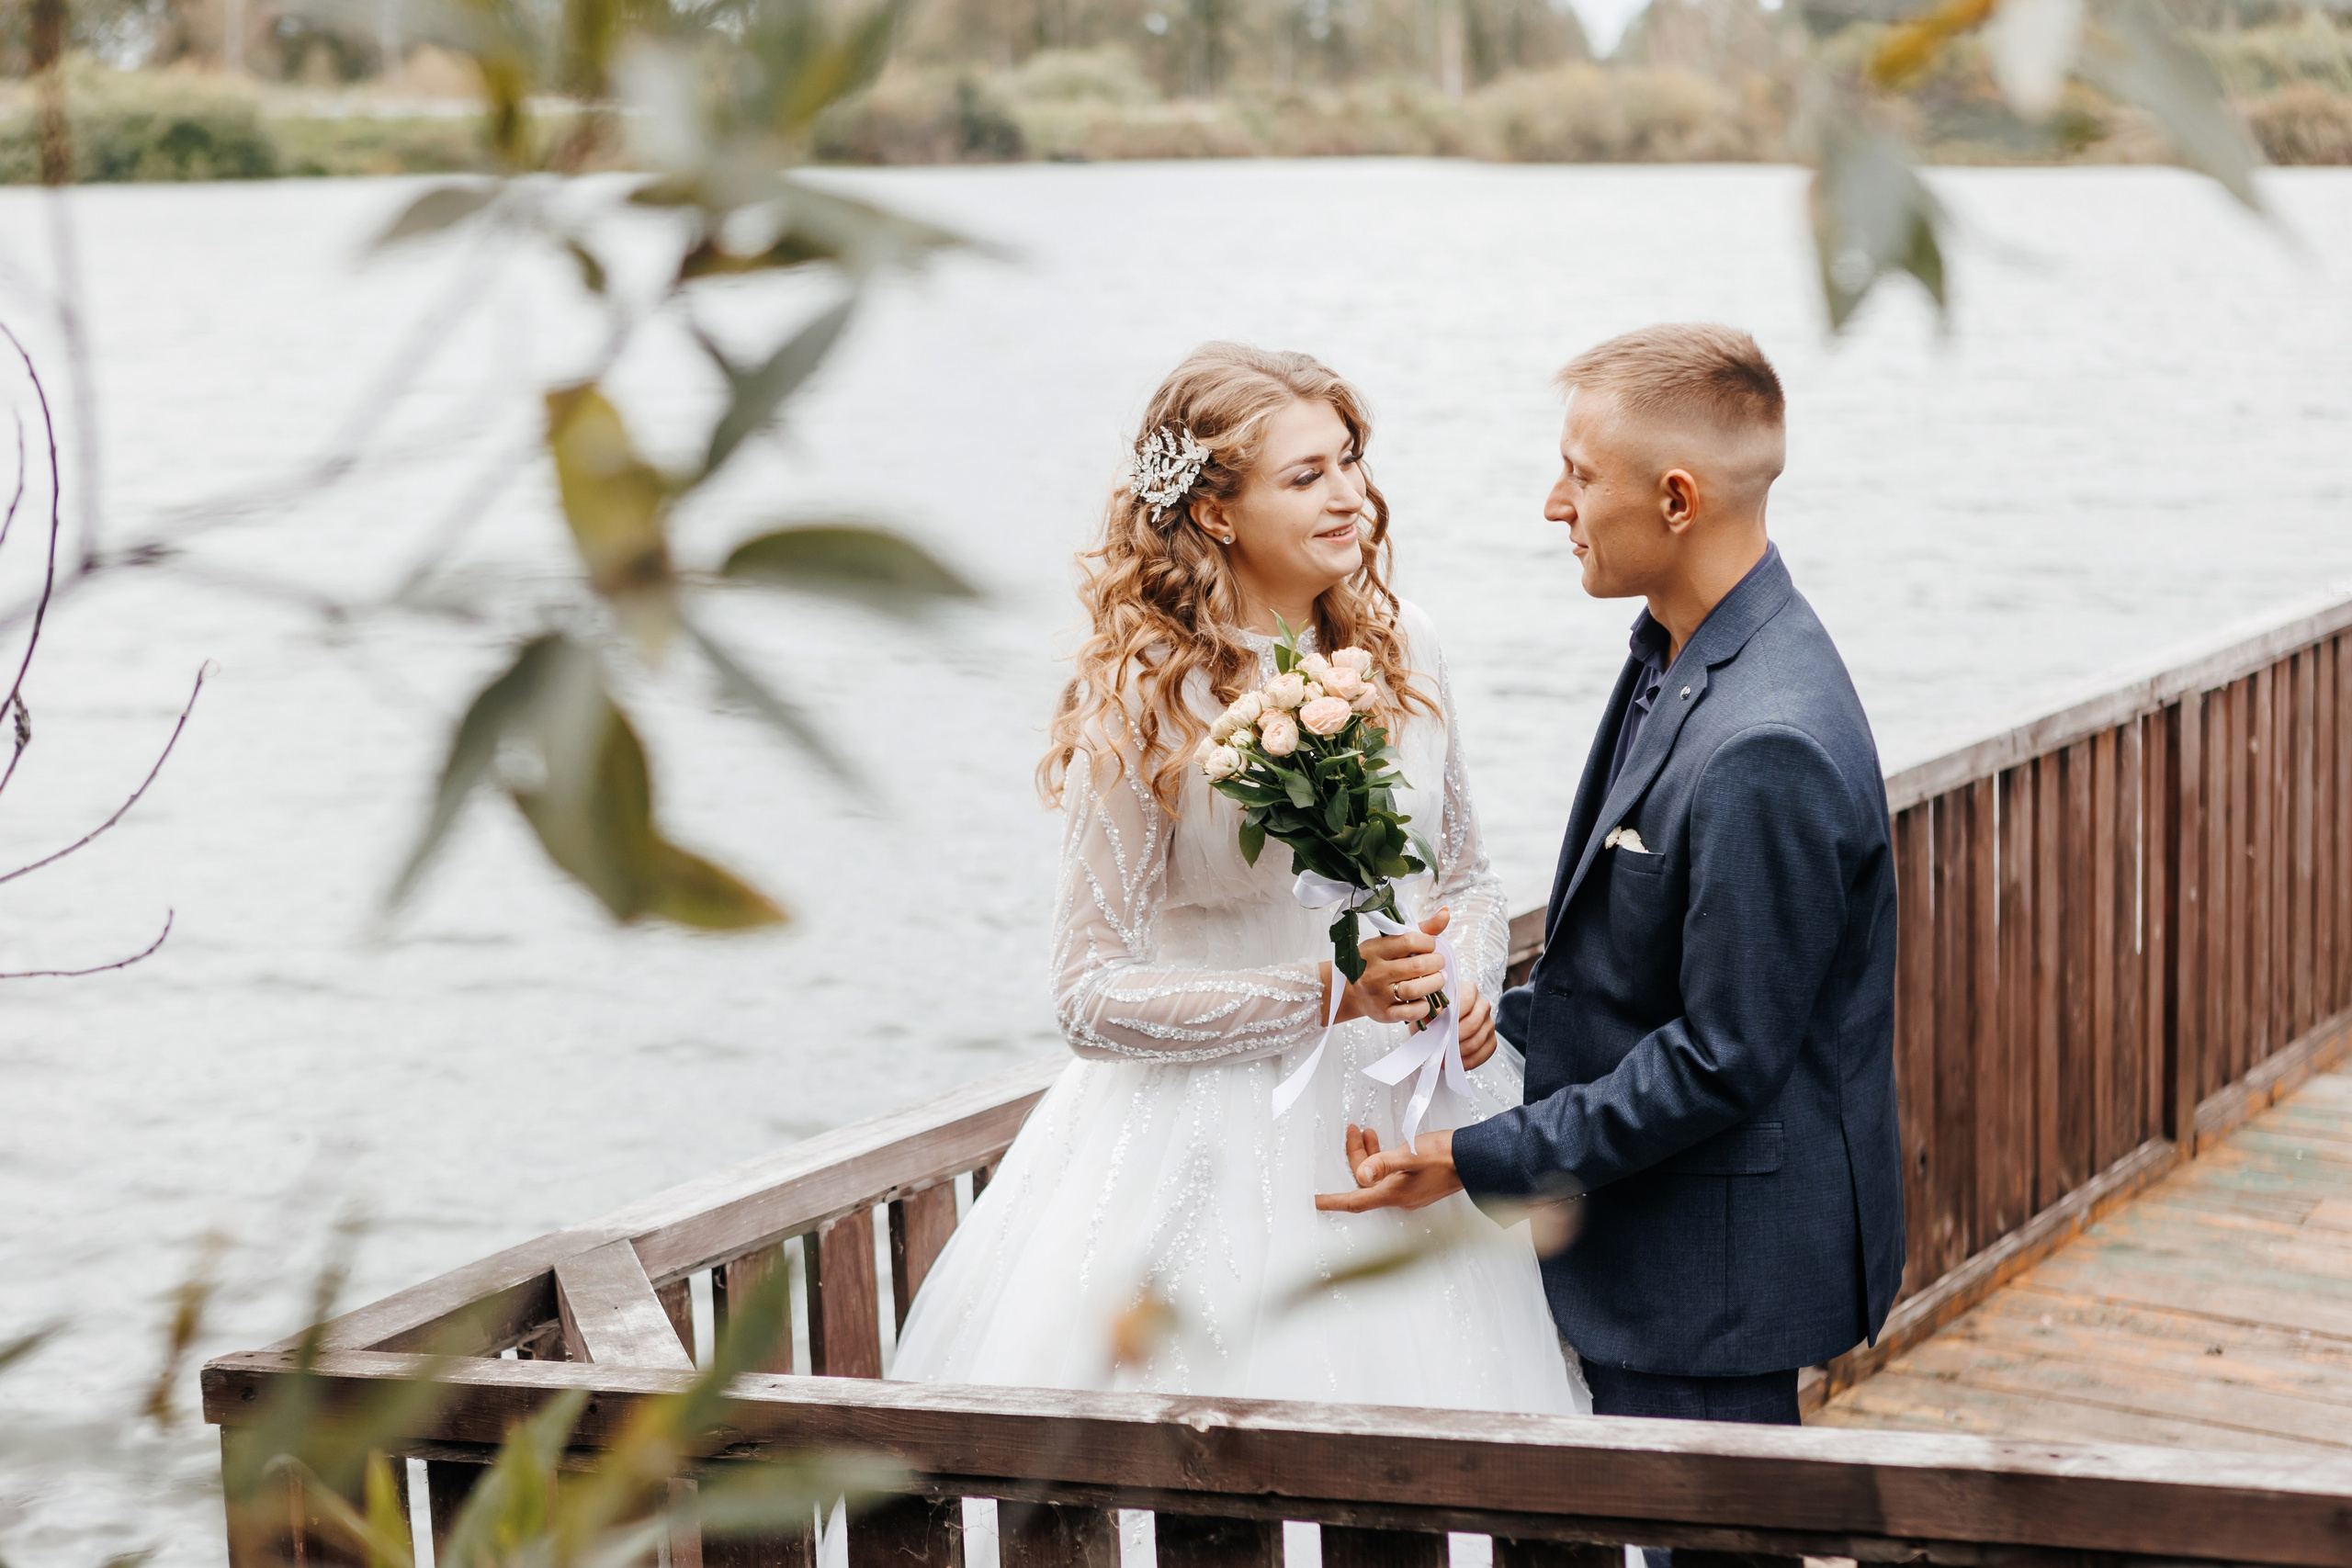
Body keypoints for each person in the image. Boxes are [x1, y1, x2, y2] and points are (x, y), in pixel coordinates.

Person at [890, 343, 1587, 1416]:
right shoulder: (1146, 700)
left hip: (1407, 1116)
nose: (1350, 495)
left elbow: (1469, 878)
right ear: (1216, 513)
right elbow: (1087, 996)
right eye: (1306, 476)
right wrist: (1324, 994)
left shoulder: (1408, 649)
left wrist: (1466, 983)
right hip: (1201, 1140)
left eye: (1350, 461)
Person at [1319, 324, 1905, 1431]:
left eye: (1579, 477)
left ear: (1676, 500)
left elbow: (1723, 1057)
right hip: (1672, 1244)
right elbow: (1649, 976)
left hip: (1706, 1276)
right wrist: (1503, 1016)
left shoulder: (1764, 743)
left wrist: (1477, 1158)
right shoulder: (1678, 650)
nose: (1554, 504)